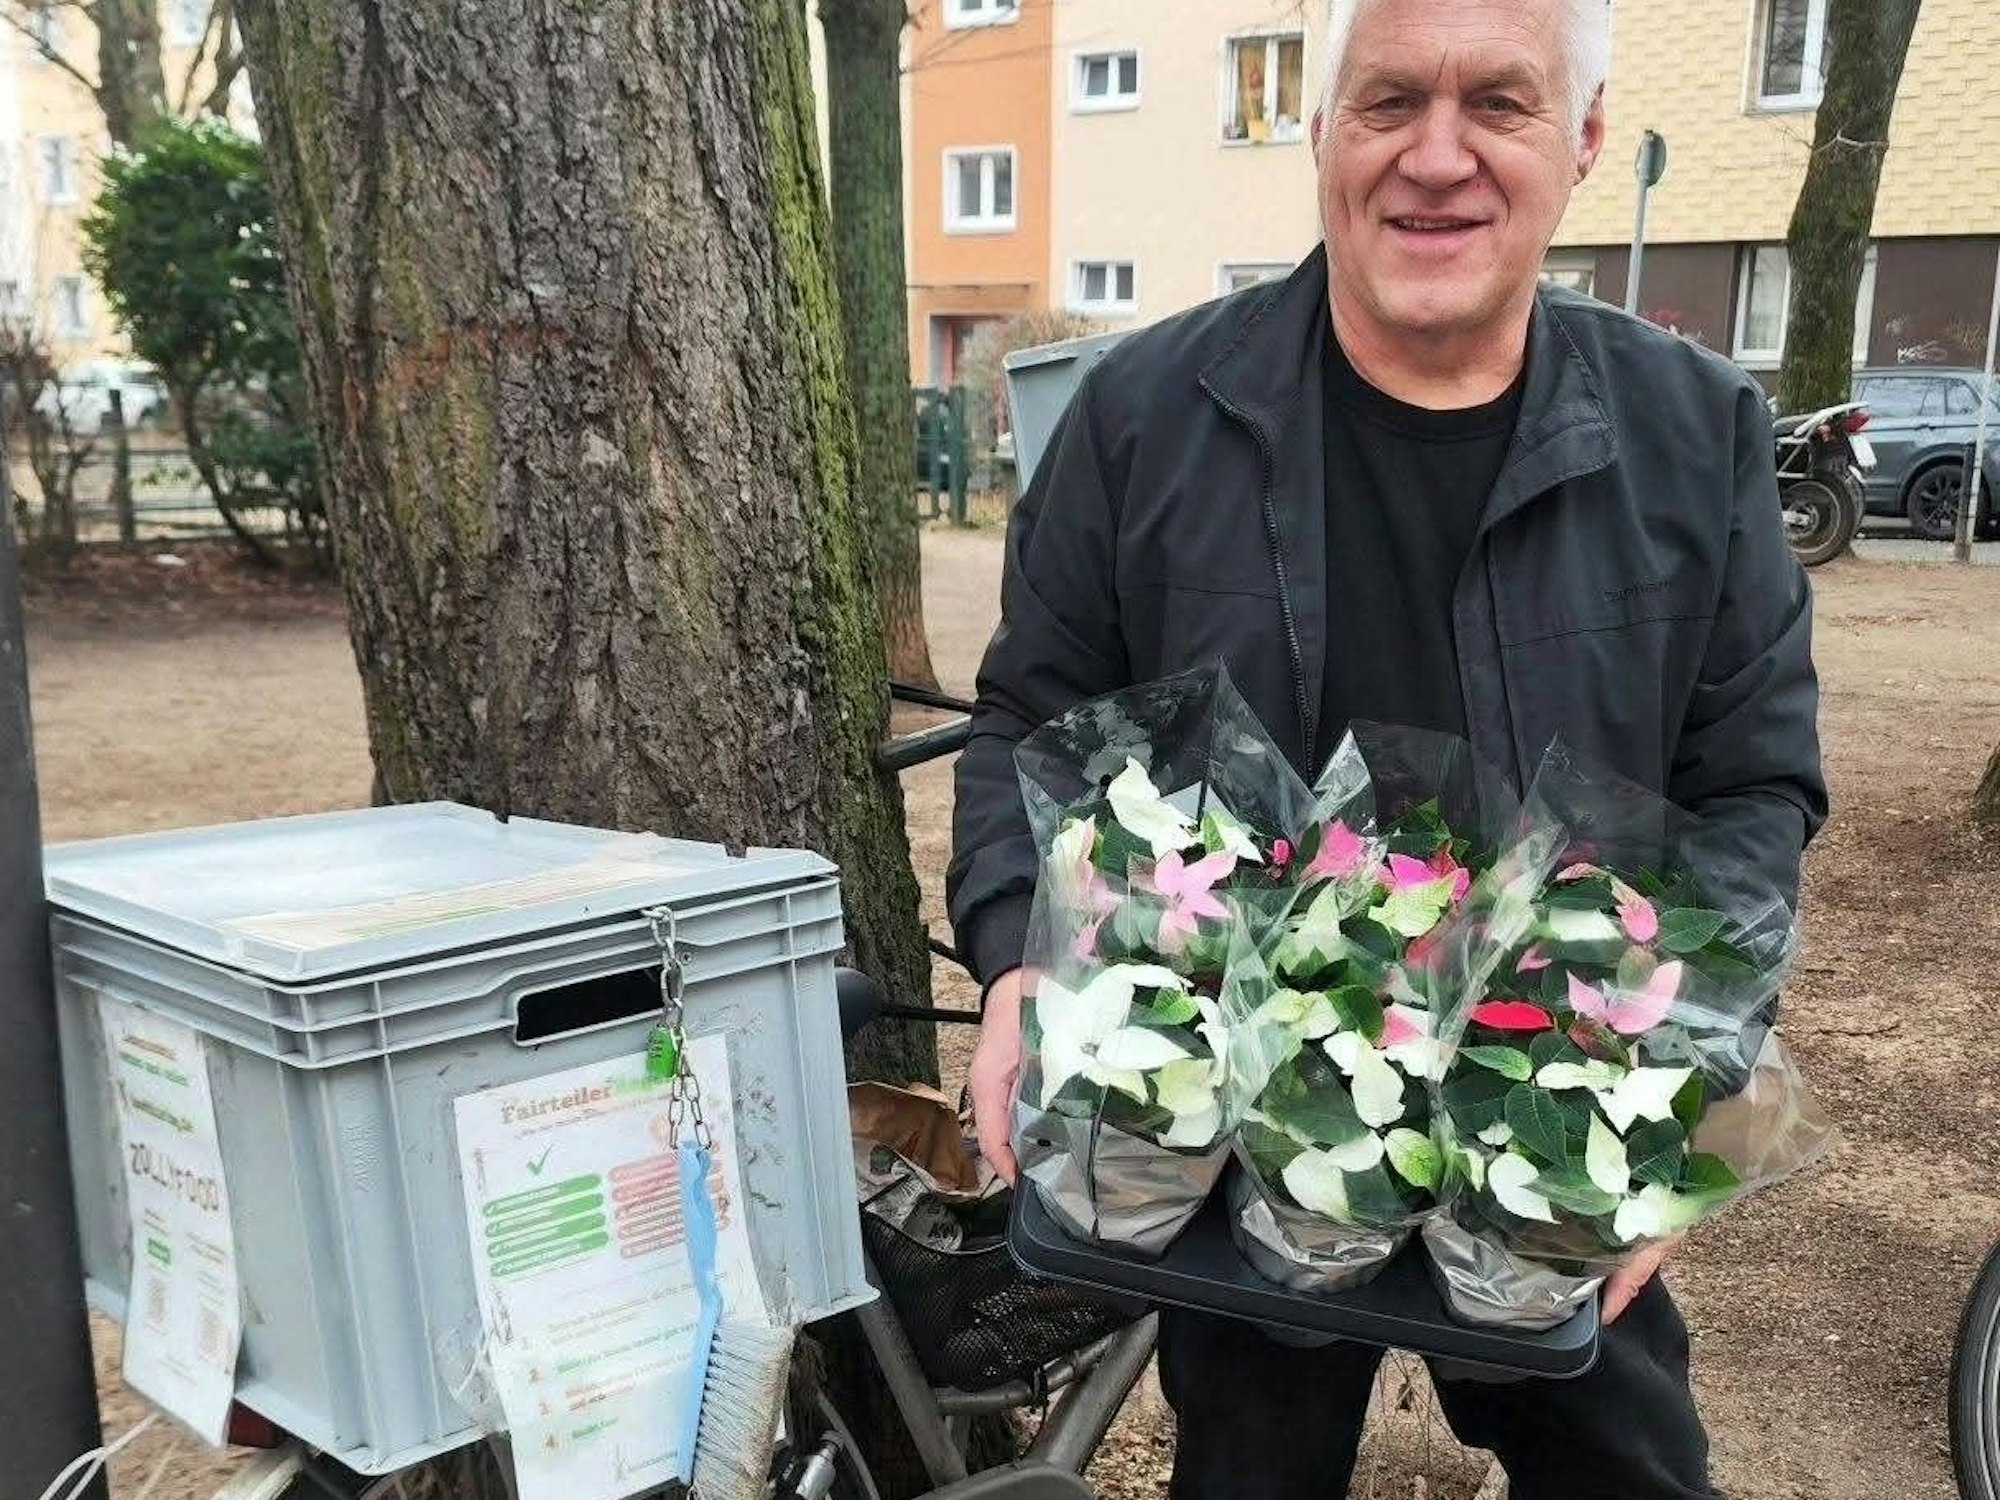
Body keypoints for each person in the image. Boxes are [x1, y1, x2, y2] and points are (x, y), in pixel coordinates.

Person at [946, 0, 1828, 1494]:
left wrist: (1670, 1084)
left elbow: (1752, 785)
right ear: (1321, 128)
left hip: (1545, 1108)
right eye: (1388, 101)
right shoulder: (1144, 423)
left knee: (1630, 1470)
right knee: (1252, 1471)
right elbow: (1035, 720)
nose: (1439, 157)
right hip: (1243, 1138)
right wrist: (1019, 951)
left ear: (1586, 140)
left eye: (1502, 102)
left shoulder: (1697, 437)